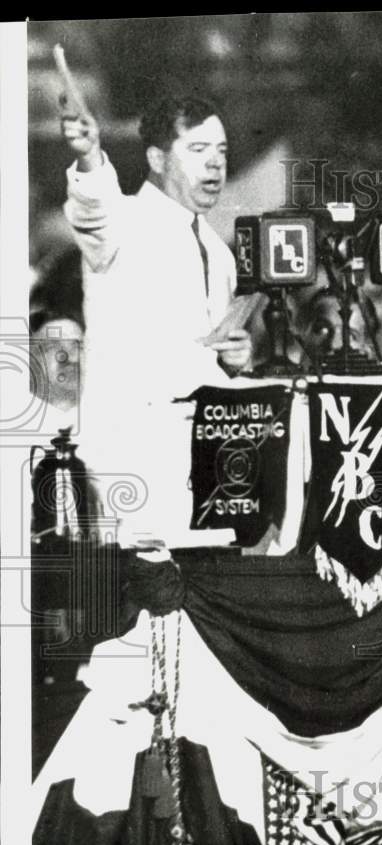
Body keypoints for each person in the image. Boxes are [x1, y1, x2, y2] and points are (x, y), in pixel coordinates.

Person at [60, 91, 255, 546]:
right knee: (144, 597)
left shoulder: (219, 252)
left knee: (203, 591)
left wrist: (235, 358)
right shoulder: (124, 221)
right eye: (198, 150)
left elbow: (207, 354)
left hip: (204, 456)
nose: (215, 166)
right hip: (132, 455)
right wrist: (90, 157)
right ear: (157, 158)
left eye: (222, 153)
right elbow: (93, 206)